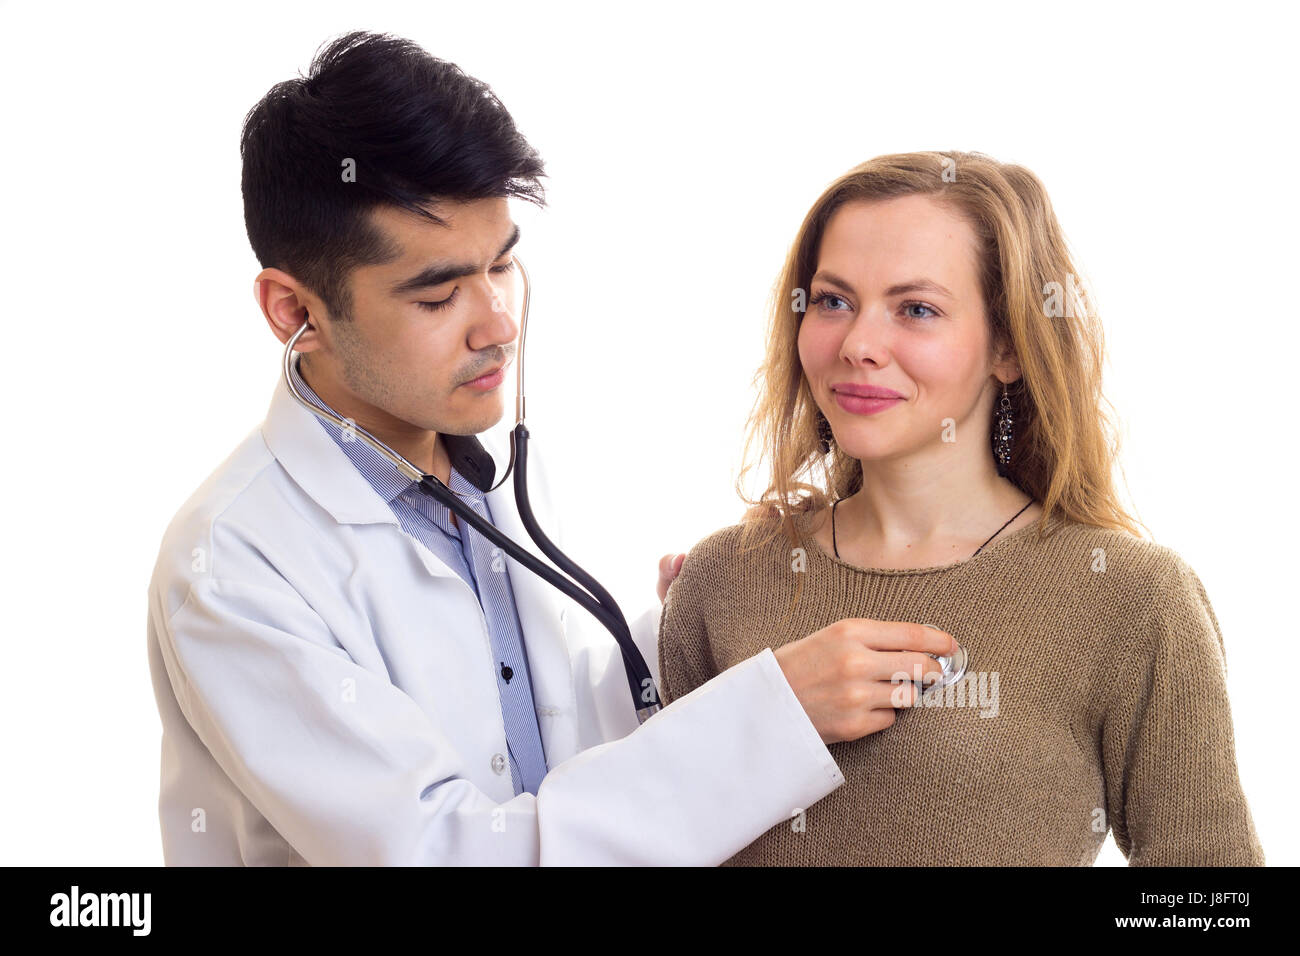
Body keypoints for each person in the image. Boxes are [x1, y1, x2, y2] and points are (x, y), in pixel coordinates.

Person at [145, 31, 953, 866]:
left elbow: (548, 756)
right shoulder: (233, 565)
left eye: (501, 265)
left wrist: (676, 642)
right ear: (292, 311)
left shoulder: (484, 471)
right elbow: (443, 850)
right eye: (437, 295)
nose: (497, 323)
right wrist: (769, 717)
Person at [658, 149, 1266, 866]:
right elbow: (637, 835)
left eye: (916, 309)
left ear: (1007, 346)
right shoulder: (721, 580)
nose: (858, 345)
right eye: (832, 301)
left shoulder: (1134, 598)